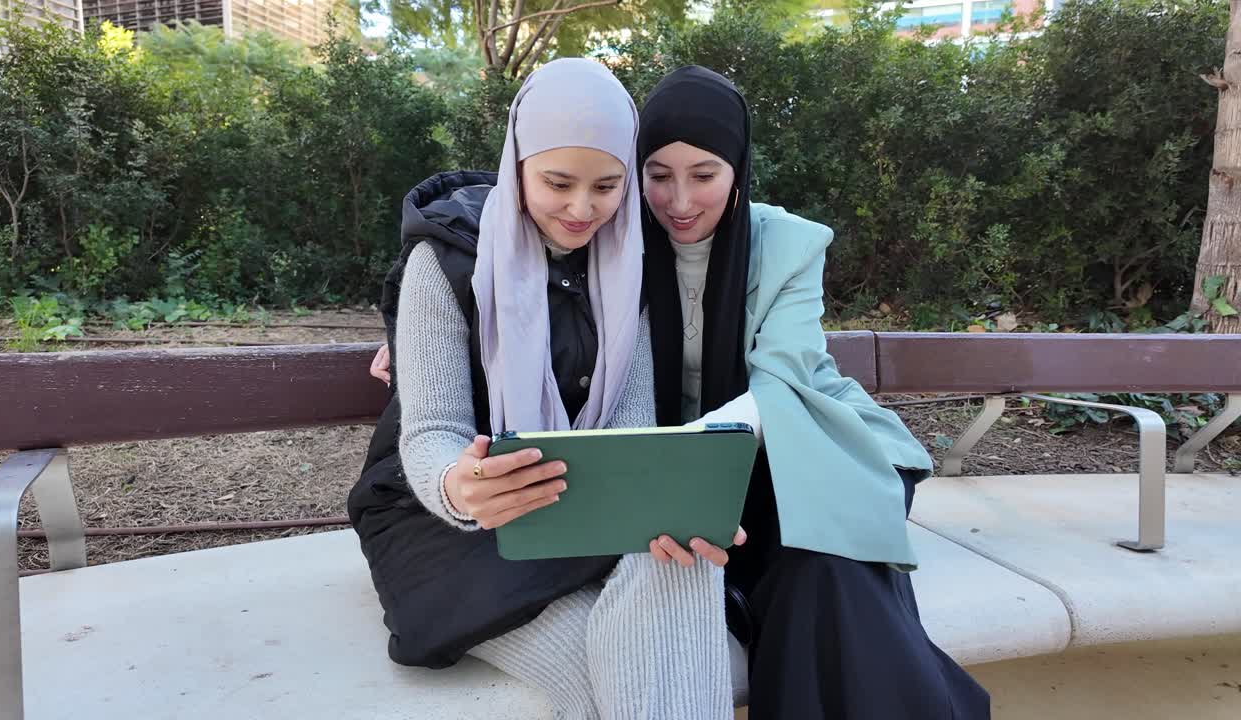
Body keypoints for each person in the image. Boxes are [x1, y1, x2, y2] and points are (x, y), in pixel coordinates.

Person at [347, 58, 740, 719]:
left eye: (608, 186)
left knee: (683, 561)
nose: (583, 209)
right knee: (629, 674)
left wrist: (678, 509)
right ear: (518, 164)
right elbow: (433, 430)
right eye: (558, 182)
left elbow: (630, 432)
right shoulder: (444, 259)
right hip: (443, 522)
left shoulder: (634, 263)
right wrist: (458, 485)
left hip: (582, 509)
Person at [636, 65, 991, 719]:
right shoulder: (615, 244)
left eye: (704, 175)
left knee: (826, 565)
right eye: (658, 175)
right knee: (810, 580)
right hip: (692, 472)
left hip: (808, 445)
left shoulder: (790, 244)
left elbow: (782, 377)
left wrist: (690, 455)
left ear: (738, 169)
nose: (679, 201)